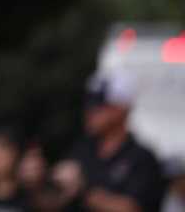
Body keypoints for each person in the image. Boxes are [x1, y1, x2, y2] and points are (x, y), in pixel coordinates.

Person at [21, 71, 165, 212]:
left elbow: (135, 208)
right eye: (88, 104)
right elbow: (54, 205)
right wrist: (36, 187)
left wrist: (84, 191)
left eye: (99, 105)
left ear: (123, 108)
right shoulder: (80, 151)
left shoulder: (142, 158)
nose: (89, 111)